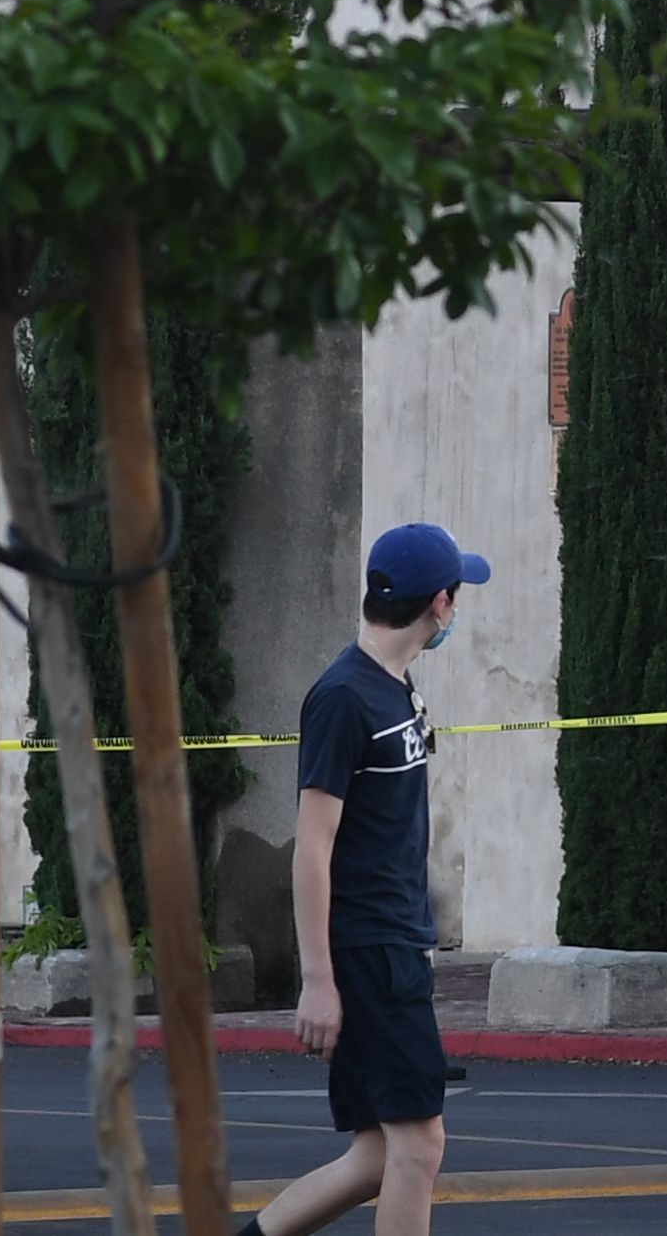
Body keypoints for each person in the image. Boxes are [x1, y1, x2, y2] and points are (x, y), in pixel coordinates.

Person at [256, 523, 486, 1236]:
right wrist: (318, 979)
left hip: (394, 944)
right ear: (440, 604)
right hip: (369, 952)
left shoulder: (393, 687)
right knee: (420, 1145)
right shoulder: (343, 697)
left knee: (375, 1155)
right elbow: (311, 847)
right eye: (457, 594)